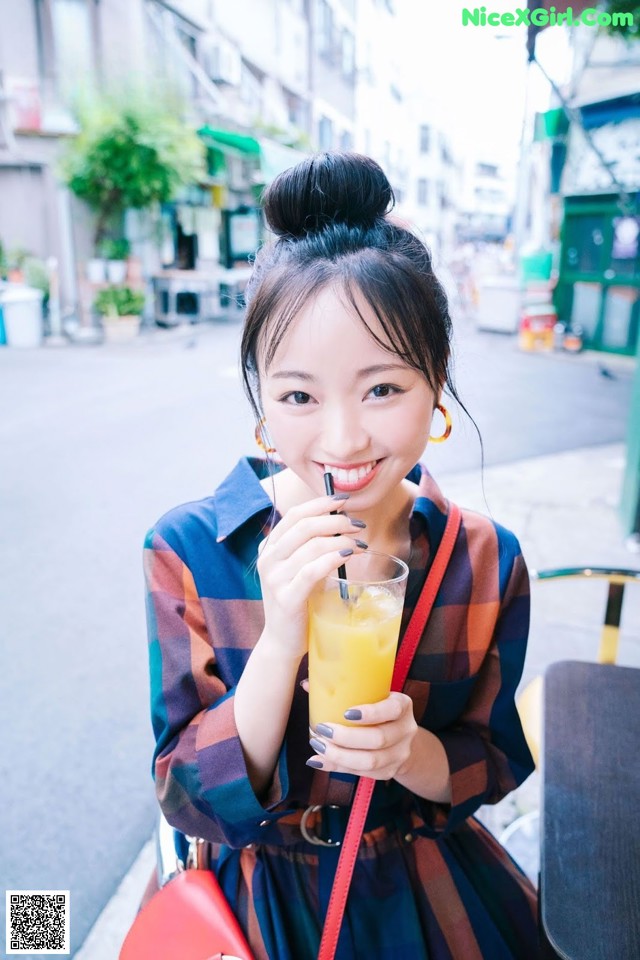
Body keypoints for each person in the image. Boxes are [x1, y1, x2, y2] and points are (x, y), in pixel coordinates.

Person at [144, 151, 539, 960]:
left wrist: (415, 753)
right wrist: (283, 630)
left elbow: (493, 761)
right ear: (262, 404)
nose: (342, 439)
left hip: (425, 884)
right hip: (261, 901)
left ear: (436, 386)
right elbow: (184, 794)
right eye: (298, 396)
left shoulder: (487, 559)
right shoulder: (188, 548)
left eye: (383, 389)